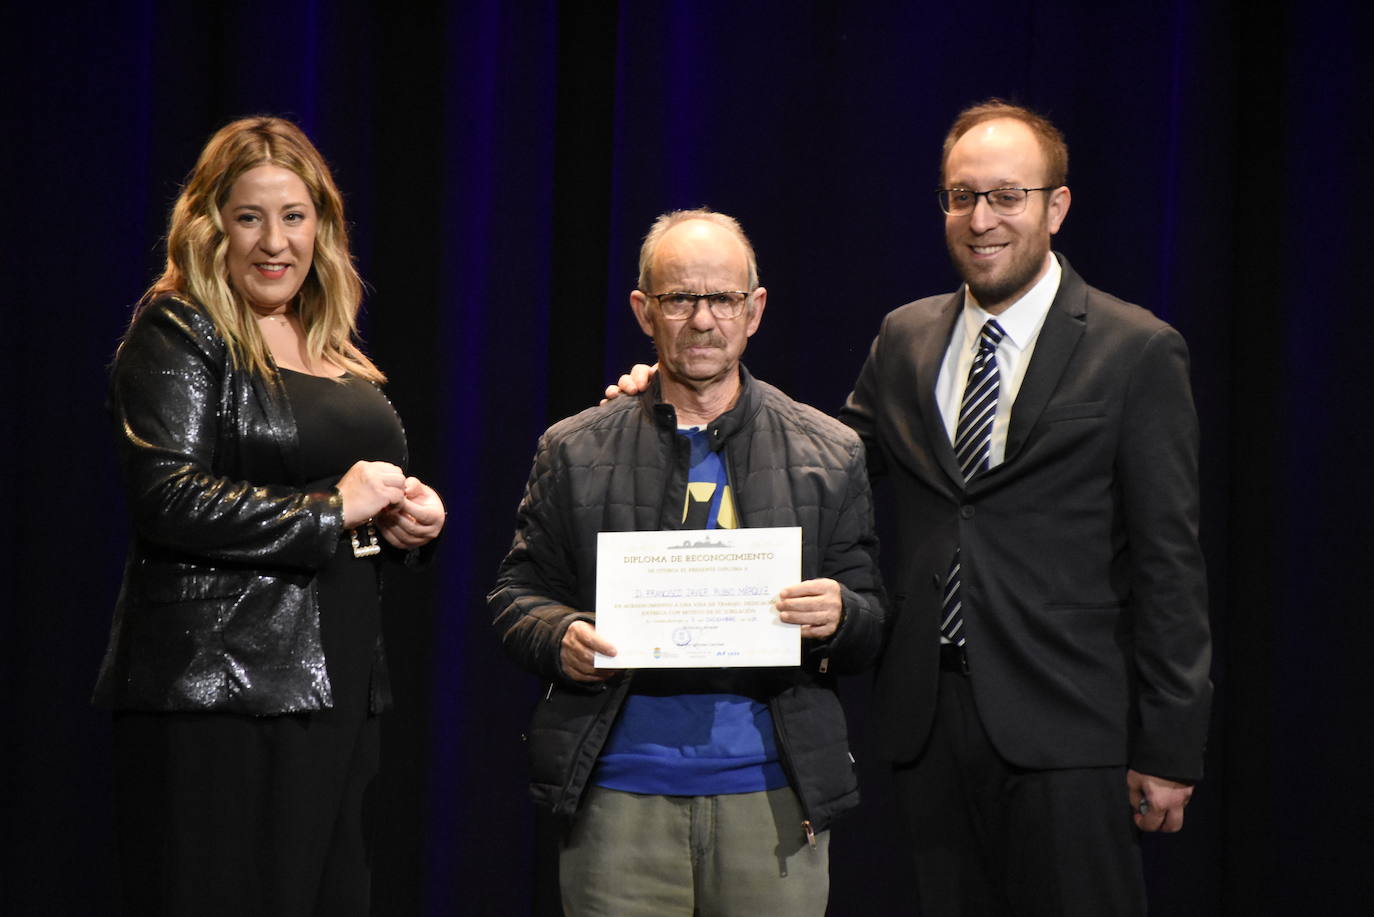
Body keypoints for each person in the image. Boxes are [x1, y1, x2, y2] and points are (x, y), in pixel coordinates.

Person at [606, 101, 1212, 916]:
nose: (982, 219)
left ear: (1055, 206)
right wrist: (679, 393)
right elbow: (814, 465)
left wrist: (1170, 746)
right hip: (928, 718)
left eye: (1007, 196)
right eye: (962, 197)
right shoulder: (908, 337)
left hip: (1071, 728)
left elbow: (1171, 561)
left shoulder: (1135, 348)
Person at [93, 116, 445, 917]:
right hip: (226, 686)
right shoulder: (180, 328)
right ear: (212, 226)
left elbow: (342, 482)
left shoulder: (331, 342)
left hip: (340, 674)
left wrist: (404, 519)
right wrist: (332, 510)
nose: (274, 242)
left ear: (322, 225)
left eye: (294, 217)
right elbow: (168, 496)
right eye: (250, 217)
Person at [490, 209, 886, 916]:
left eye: (723, 298)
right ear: (645, 310)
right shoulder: (575, 448)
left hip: (771, 794)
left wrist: (839, 614)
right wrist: (562, 638)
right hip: (618, 796)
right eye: (679, 299)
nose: (702, 320)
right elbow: (517, 594)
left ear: (754, 309)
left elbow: (870, 616)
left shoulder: (828, 451)